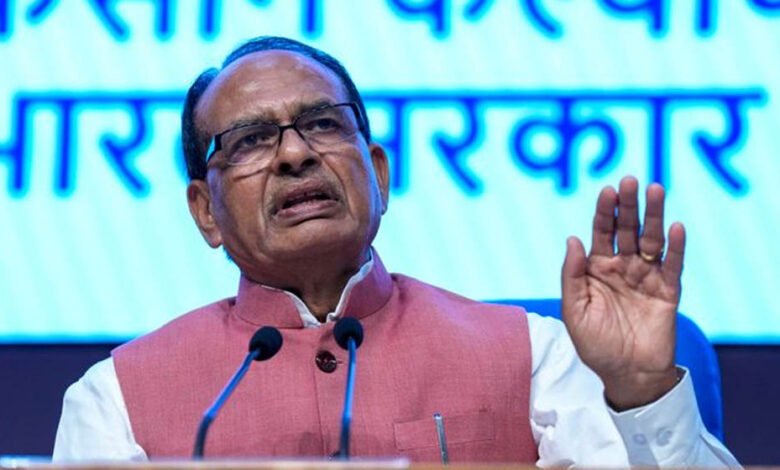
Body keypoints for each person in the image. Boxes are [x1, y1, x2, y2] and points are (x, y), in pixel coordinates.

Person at [53, 36, 739, 466]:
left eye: (323, 123)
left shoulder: (535, 353)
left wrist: (639, 392)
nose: (295, 154)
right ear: (206, 210)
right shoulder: (116, 400)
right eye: (251, 141)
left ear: (378, 174)